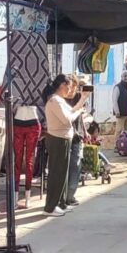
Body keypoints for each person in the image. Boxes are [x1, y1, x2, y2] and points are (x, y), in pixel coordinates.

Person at [42, 74, 90, 217]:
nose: (70, 90)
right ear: (62, 85)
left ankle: (60, 202)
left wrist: (83, 99)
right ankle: (50, 207)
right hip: (57, 138)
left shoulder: (60, 100)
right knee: (56, 173)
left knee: (63, 173)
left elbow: (72, 111)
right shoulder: (54, 101)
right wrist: (78, 112)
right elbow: (67, 119)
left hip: (64, 138)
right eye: (68, 86)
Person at [64, 75, 87, 206]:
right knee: (66, 167)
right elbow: (72, 114)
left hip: (77, 135)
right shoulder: (60, 99)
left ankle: (70, 195)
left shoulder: (78, 96)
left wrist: (84, 131)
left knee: (75, 165)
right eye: (70, 86)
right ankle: (66, 196)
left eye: (74, 86)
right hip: (65, 135)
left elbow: (81, 114)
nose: (72, 89)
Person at [112, 70, 127, 147]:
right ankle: (116, 145)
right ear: (121, 77)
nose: (126, 78)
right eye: (125, 76)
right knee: (119, 130)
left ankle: (126, 145)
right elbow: (114, 100)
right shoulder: (117, 87)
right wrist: (117, 111)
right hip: (120, 113)